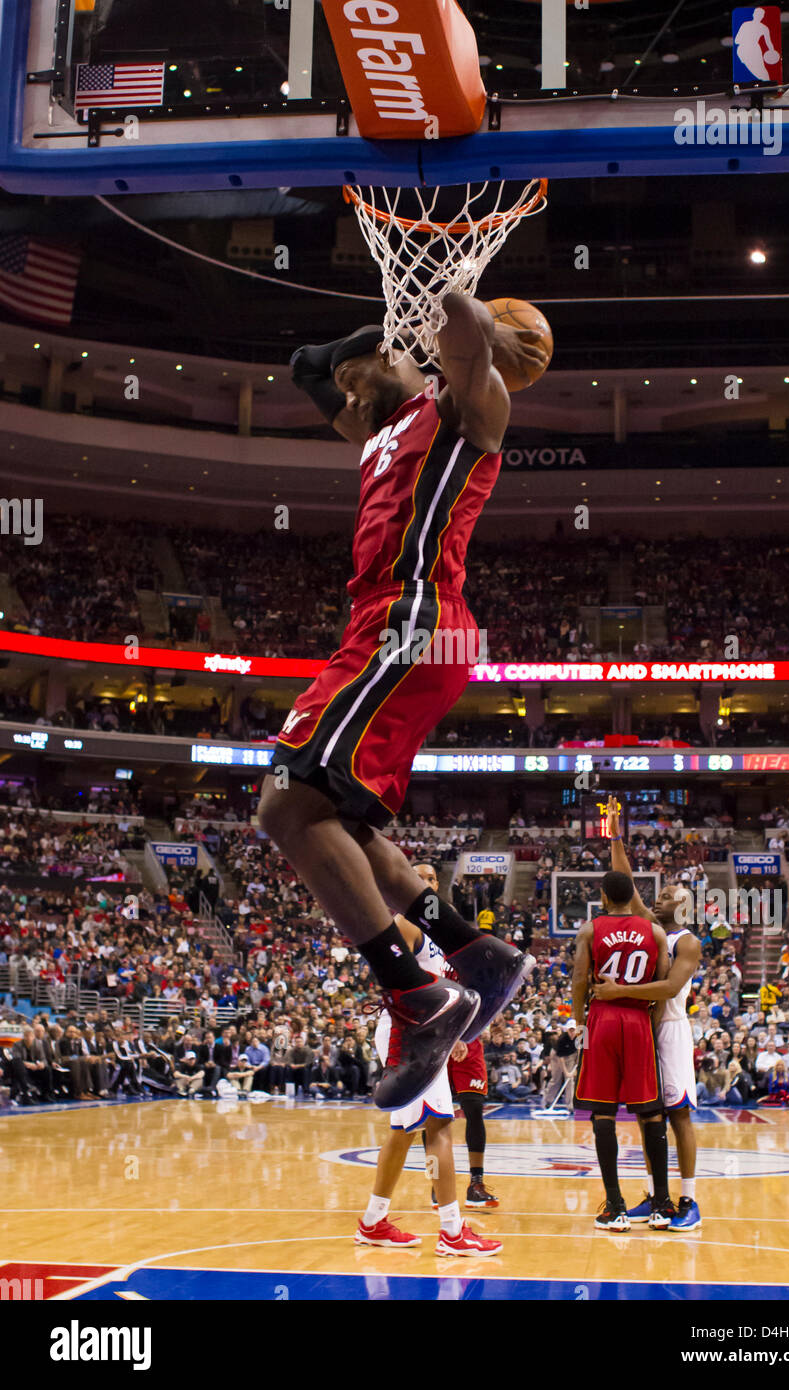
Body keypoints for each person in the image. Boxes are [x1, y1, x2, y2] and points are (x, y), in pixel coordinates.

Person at [257, 297, 547, 1112]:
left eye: (361, 378)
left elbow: (463, 341)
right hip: (388, 629)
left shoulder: (462, 404)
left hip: (412, 620)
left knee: (286, 801)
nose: (344, 397)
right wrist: (360, 355)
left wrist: (447, 300)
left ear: (404, 356)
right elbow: (307, 368)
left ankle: (418, 993)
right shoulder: (373, 429)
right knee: (341, 822)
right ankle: (472, 952)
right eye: (345, 389)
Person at [356, 901, 502, 1258]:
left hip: (428, 1031)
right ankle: (452, 1232)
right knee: (439, 1125)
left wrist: (455, 1035)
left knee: (404, 1131)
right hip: (411, 1032)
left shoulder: (444, 936)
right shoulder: (405, 925)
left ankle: (373, 1222)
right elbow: (388, 970)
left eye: (433, 879)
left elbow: (445, 992)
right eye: (420, 878)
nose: (428, 885)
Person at [594, 808, 703, 1231]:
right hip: (642, 1030)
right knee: (647, 1114)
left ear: (685, 905)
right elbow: (628, 886)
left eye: (668, 895)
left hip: (671, 1030)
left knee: (679, 1115)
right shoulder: (652, 926)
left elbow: (670, 989)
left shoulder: (688, 942)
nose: (658, 898)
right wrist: (616, 836)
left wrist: (618, 992)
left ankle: (688, 1199)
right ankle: (656, 1195)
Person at [573, 867, 673, 1232]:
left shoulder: (589, 929)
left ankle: (615, 1206)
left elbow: (579, 980)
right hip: (638, 1019)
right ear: (633, 895)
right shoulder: (656, 932)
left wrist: (579, 1024)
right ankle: (661, 1205)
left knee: (603, 1114)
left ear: (603, 896)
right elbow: (662, 986)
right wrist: (653, 1024)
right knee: (650, 1113)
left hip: (602, 1020)